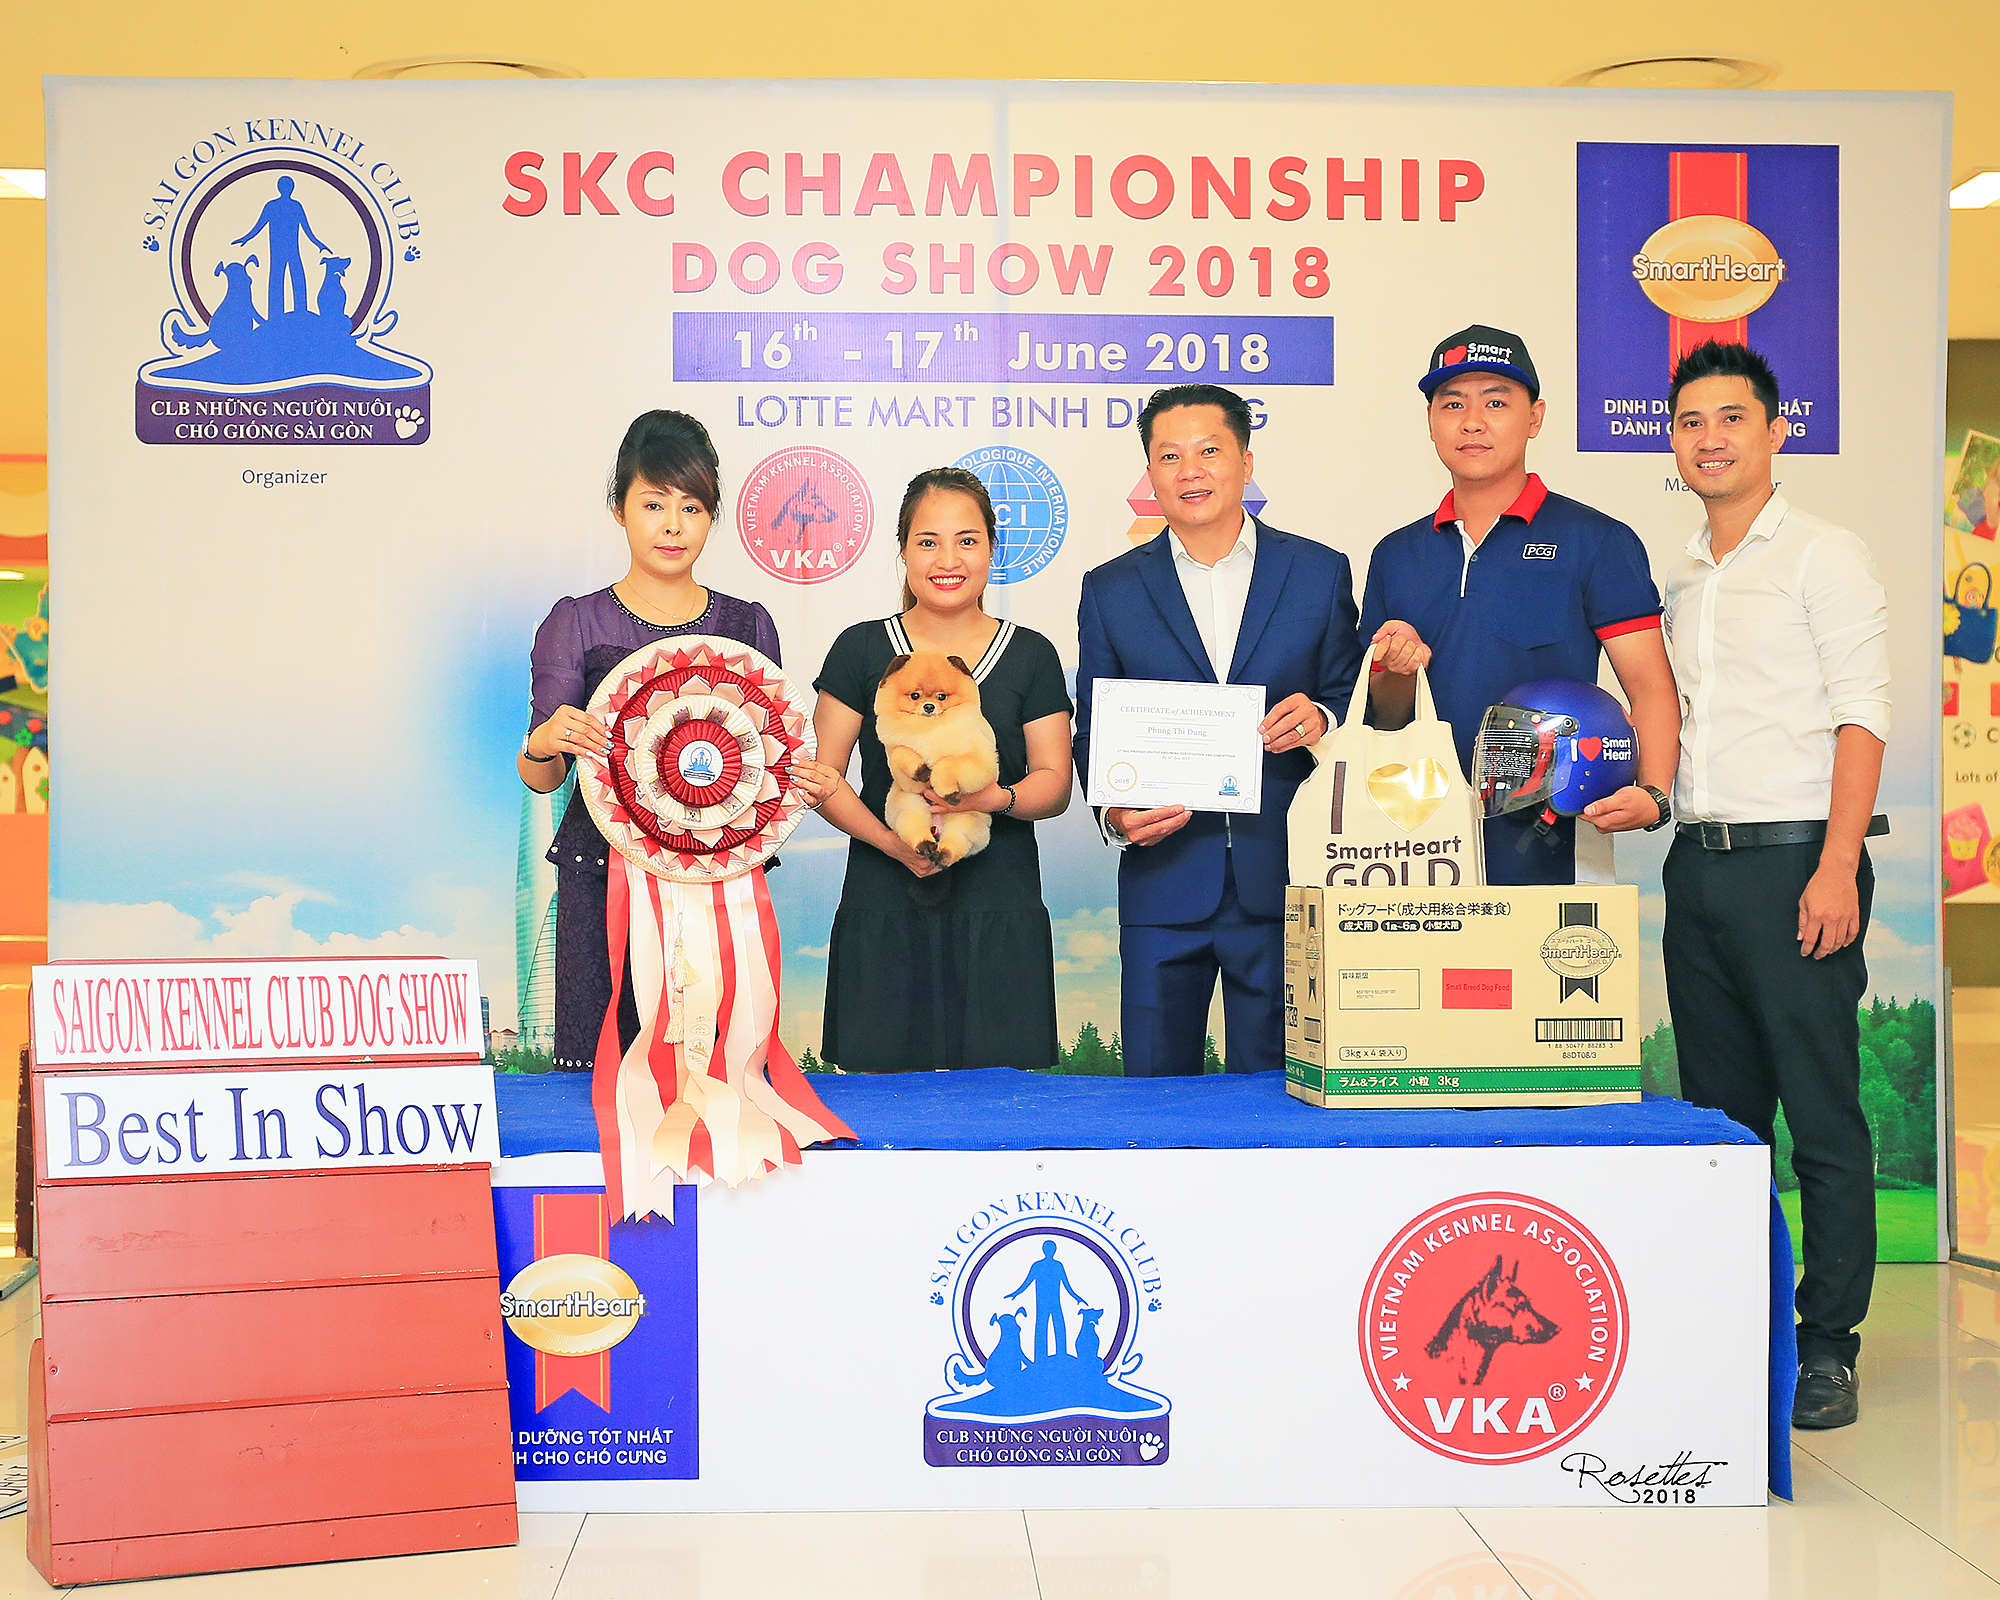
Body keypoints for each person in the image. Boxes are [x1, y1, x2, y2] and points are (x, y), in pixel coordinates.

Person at [1660, 340, 1890, 1431]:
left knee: (1821, 1113)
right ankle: (1732, 1326)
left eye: (1731, 418)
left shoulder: (1822, 554)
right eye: (1690, 421)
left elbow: (1861, 714)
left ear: (1774, 430)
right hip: (1696, 866)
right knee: (1721, 1119)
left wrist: (1836, 865)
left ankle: (1828, 1343)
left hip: (1799, 864)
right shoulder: (1678, 574)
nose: (1708, 439)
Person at [1074, 384, 1364, 1077]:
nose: (1190, 471)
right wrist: (1115, 812)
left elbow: (1350, 695)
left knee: (1278, 1093)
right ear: (1151, 473)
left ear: (1246, 462)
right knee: (1153, 1093)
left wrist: (1322, 719)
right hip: (1163, 878)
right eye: (1169, 456)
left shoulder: (1318, 572)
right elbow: (1094, 725)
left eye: (1209, 451)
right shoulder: (1110, 588)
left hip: (1286, 875)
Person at [1362, 326, 1680, 882]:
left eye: (1496, 402)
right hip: (1416, 843)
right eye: (1453, 404)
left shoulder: (1596, 540)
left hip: (1556, 838)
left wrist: (1653, 793)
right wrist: (1394, 667)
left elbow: (1650, 686)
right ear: (1431, 421)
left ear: (1534, 418)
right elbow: (1387, 719)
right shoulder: (1396, 554)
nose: (1472, 422)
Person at [520, 410, 780, 1072]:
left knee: (719, 1078)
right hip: (603, 875)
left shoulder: (748, 626)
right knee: (601, 1077)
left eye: (692, 507)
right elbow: (543, 776)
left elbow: (766, 768)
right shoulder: (576, 622)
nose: (673, 525)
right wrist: (546, 740)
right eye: (654, 503)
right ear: (620, 509)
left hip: (718, 880)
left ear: (711, 516)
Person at [796, 467, 1073, 1072]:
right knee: (879, 1104)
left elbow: (1055, 784)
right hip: (885, 904)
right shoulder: (861, 649)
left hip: (998, 907)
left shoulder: (1030, 654)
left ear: (992, 549)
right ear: (903, 551)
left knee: (1000, 1105)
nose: (948, 559)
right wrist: (892, 844)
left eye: (967, 540)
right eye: (928, 541)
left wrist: (989, 799)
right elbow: (821, 778)